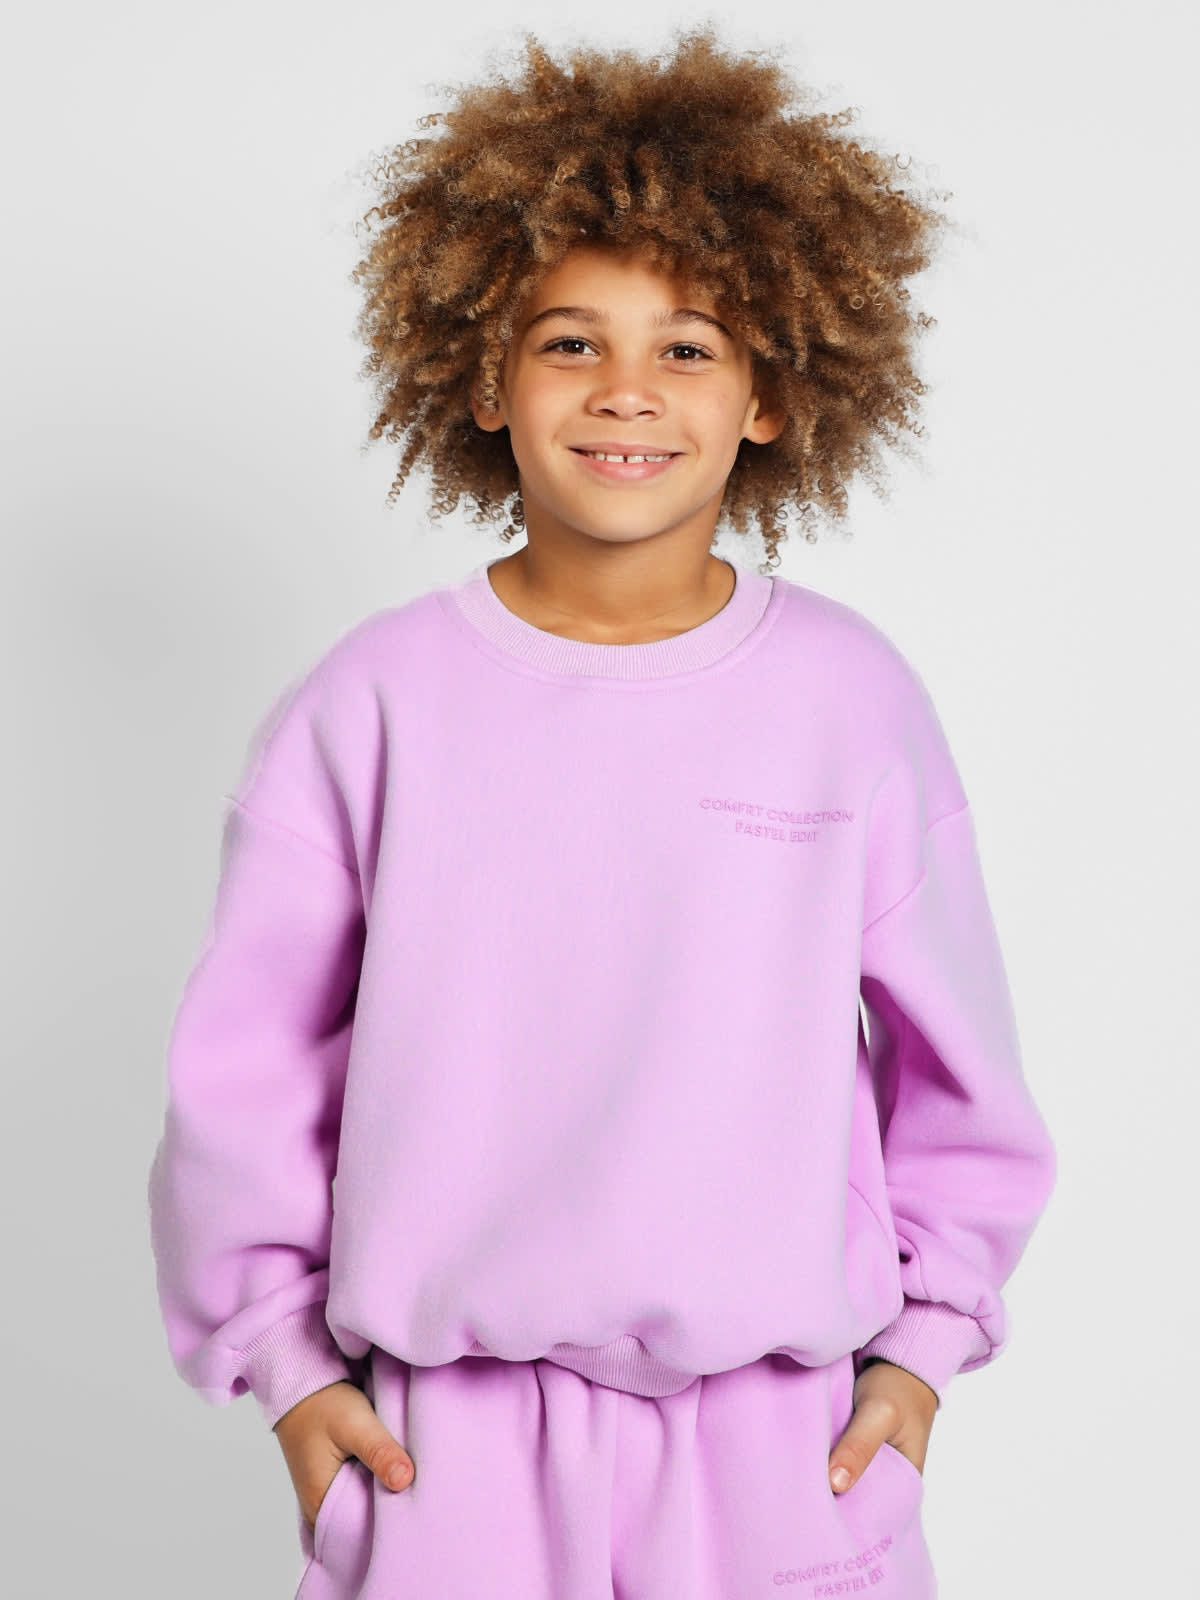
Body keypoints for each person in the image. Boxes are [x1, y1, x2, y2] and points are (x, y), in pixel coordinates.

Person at [147, 24, 1057, 1600]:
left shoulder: (847, 702)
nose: (627, 390)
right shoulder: (371, 706)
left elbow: (959, 1073)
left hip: (785, 1446)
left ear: (772, 395)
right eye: (570, 342)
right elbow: (243, 1078)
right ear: (479, 374)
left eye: (690, 347)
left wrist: (922, 1351)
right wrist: (285, 1368)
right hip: (445, 1455)